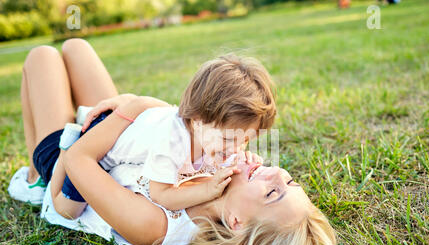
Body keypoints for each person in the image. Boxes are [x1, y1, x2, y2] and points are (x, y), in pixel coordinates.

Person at [8, 39, 338, 245]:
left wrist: (132, 107)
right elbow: (186, 125)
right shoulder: (228, 163)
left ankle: (36, 179)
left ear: (237, 222)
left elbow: (81, 158)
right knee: (76, 47)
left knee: (42, 57)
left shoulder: (156, 224)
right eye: (290, 181)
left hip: (70, 171)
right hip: (120, 138)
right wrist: (135, 103)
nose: (277, 173)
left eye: (272, 192)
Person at [49, 50, 277, 219]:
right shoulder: (172, 143)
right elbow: (162, 195)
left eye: (245, 139)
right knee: (67, 210)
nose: (236, 147)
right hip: (101, 146)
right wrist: (207, 190)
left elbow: (228, 157)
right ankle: (68, 147)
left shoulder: (210, 134)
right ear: (197, 121)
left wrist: (243, 162)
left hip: (132, 123)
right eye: (229, 139)